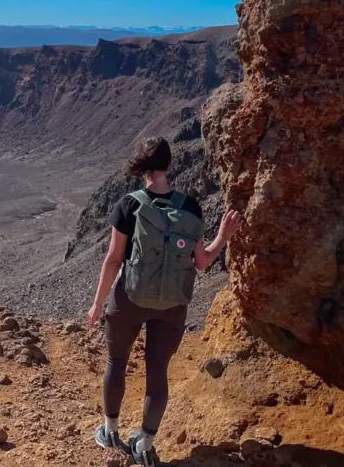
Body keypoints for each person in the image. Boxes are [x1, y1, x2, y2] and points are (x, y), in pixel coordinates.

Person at [86, 137, 243, 466]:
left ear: (141, 168)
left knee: (116, 363)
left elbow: (113, 260)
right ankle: (145, 445)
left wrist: (97, 303)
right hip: (172, 304)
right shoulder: (190, 207)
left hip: (128, 299)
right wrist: (223, 237)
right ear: (171, 166)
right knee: (157, 374)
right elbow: (202, 262)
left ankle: (110, 432)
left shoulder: (129, 205)